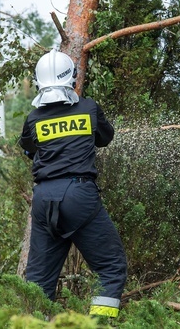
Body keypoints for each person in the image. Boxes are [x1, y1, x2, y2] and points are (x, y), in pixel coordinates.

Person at [18, 49, 128, 319]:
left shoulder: (33, 118)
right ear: (72, 77)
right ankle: (98, 324)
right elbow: (105, 138)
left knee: (38, 284)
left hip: (43, 200)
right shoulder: (88, 108)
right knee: (112, 268)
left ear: (39, 81)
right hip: (78, 195)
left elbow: (30, 150)